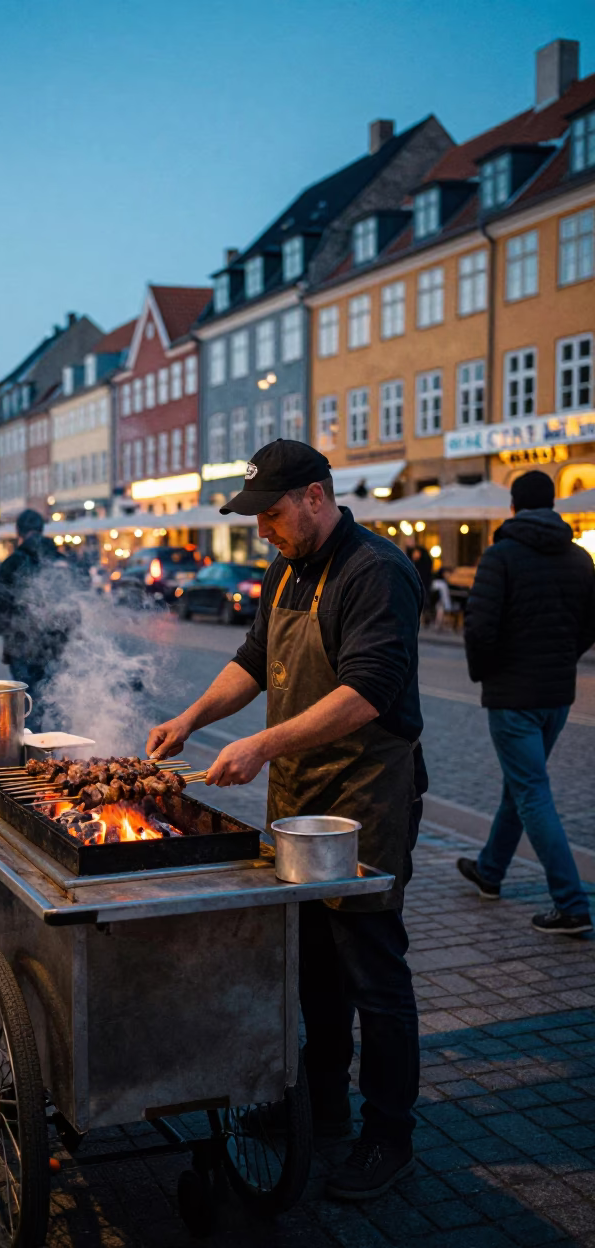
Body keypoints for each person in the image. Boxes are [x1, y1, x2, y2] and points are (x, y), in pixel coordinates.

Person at [147, 440, 426, 1201]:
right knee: (312, 968)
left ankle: (389, 1135)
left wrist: (263, 743)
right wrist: (192, 717)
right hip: (301, 796)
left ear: (313, 495)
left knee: (373, 970)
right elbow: (252, 658)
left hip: (364, 799)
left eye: (270, 514)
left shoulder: (377, 572)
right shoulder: (285, 568)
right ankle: (325, 1109)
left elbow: (367, 692)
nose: (262, 530)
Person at [459, 470, 595, 935]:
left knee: (532, 792)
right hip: (556, 694)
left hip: (513, 696)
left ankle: (572, 902)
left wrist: (487, 672)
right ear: (553, 504)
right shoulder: (580, 558)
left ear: (513, 506)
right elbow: (589, 625)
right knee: (521, 786)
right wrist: (562, 658)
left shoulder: (500, 556)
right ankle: (490, 871)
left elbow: (478, 627)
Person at [0, 508, 69, 731]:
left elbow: (0, 610)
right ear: (42, 529)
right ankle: (62, 753)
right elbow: (75, 602)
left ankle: (32, 756)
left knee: (28, 707)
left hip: (21, 649)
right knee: (58, 702)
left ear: (19, 532)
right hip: (56, 647)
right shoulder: (59, 560)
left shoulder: (12, 563)